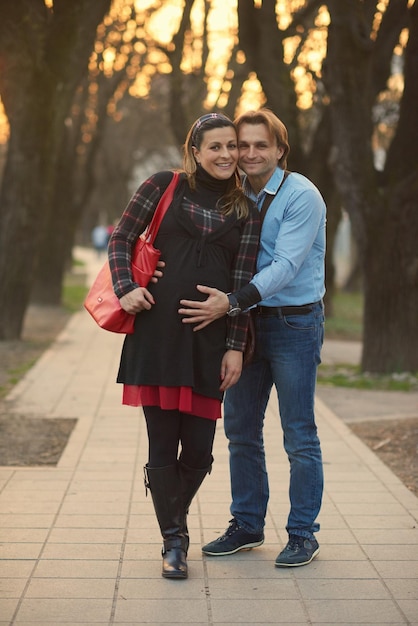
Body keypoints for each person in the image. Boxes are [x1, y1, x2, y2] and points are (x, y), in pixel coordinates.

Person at [108, 113, 260, 579]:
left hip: (210, 342)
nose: (226, 155)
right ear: (195, 152)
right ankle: (174, 541)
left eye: (232, 146)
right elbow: (121, 239)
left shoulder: (246, 208)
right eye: (215, 147)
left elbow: (244, 280)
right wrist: (125, 288)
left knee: (198, 452)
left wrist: (235, 346)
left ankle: (169, 510)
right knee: (162, 443)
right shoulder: (163, 184)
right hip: (158, 336)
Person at [178, 108, 326, 568]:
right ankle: (247, 524)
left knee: (298, 434)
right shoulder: (235, 196)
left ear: (280, 150)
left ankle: (302, 532)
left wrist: (232, 301)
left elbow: (285, 266)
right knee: (241, 430)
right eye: (243, 145)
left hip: (293, 323)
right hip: (244, 325)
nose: (249, 153)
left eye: (261, 145)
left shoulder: (302, 195)